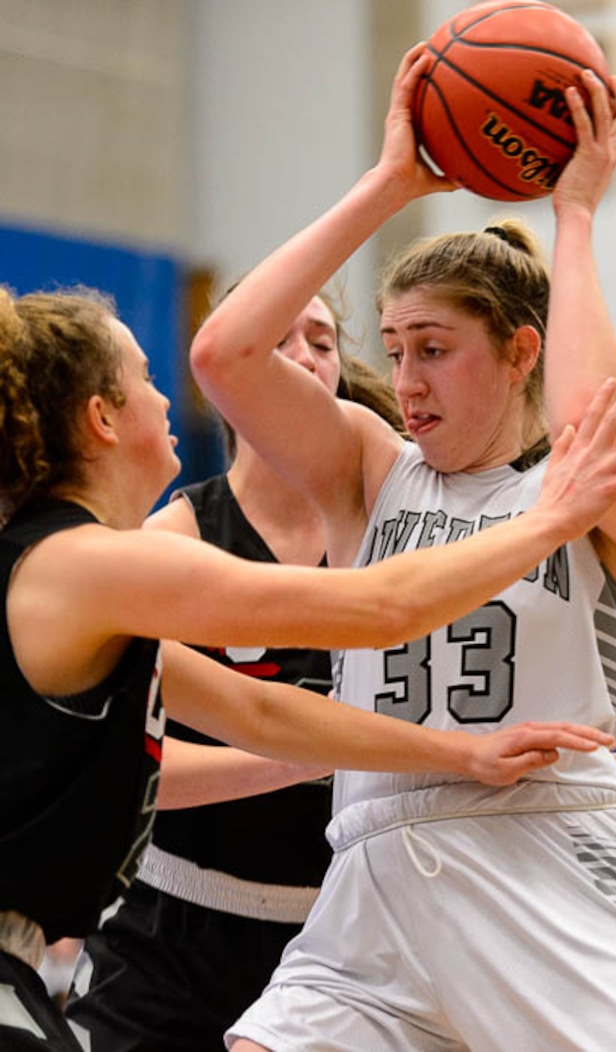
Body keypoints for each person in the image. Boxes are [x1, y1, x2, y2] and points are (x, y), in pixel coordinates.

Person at [0, 280, 616, 1052]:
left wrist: (460, 753)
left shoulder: (74, 572)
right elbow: (383, 607)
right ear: (100, 418)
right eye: (148, 379)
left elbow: (260, 714)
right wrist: (551, 521)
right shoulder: (104, 561)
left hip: (362, 903)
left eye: (323, 342)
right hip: (191, 933)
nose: (165, 396)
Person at [188, 44, 616, 1052]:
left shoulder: (585, 495)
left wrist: (578, 213)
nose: (405, 377)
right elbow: (223, 353)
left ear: (520, 352)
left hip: (545, 863)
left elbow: (593, 413)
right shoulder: (371, 471)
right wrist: (389, 184)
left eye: (434, 348)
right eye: (394, 345)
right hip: (372, 875)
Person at [64, 289, 406, 1051]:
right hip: (173, 934)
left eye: (322, 339)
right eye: (279, 337)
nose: (306, 356)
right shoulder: (173, 536)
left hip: (342, 941)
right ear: (231, 374)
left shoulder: (396, 527)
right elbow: (132, 762)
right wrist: (302, 754)